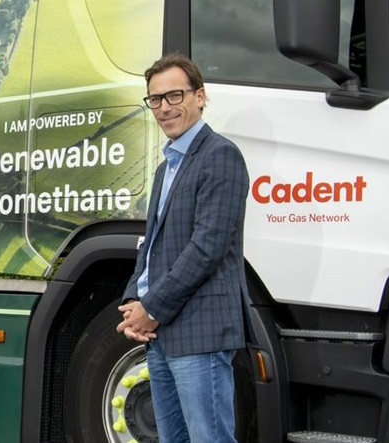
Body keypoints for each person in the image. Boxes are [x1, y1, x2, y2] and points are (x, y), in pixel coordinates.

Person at [115, 53, 249, 443]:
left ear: (200, 96)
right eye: (155, 99)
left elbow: (207, 247)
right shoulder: (166, 167)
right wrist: (133, 299)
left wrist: (151, 308)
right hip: (162, 335)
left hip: (200, 332)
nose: (164, 108)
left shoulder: (219, 155)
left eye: (174, 95)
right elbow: (153, 245)